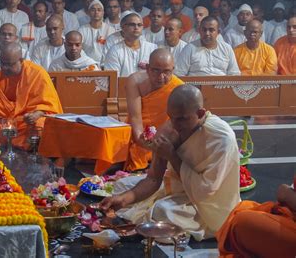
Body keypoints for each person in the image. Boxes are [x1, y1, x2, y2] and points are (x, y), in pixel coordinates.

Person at [101, 85, 241, 241]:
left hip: (207, 203)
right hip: (176, 187)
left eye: (181, 118)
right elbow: (153, 179)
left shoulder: (221, 138)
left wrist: (172, 156)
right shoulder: (171, 127)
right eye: (171, 117)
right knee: (121, 186)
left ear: (200, 113)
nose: (174, 124)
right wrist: (124, 199)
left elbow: (205, 190)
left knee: (163, 210)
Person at [0, 42, 63, 149]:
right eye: (2, 63)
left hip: (26, 123)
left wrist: (36, 114)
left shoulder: (37, 74)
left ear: (21, 61)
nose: (5, 68)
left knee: (41, 124)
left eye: (9, 64)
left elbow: (48, 106)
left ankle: (34, 157)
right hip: (4, 123)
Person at [124, 49, 184, 171]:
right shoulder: (135, 81)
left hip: (166, 141)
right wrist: (144, 141)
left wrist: (163, 145)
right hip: (140, 138)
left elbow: (177, 124)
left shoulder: (179, 87)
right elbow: (135, 118)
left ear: (173, 70)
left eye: (166, 72)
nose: (161, 77)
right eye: (156, 70)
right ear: (147, 68)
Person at [216, 183, 296, 257]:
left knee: (242, 222)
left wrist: (287, 195)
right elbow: (282, 190)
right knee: (244, 207)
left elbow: (284, 193)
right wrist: (286, 194)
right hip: (288, 213)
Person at [175, 16, 240, 76]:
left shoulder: (227, 49)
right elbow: (179, 74)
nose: (207, 33)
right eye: (204, 30)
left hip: (221, 87)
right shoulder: (189, 48)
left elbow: (234, 74)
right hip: (195, 87)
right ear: (200, 31)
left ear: (218, 32)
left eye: (211, 30)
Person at [104, 13, 157, 77]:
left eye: (139, 25)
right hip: (123, 86)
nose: (136, 27)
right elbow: (113, 80)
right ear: (123, 27)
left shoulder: (152, 49)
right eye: (132, 24)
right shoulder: (115, 51)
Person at [78, 0, 114, 64]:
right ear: (89, 12)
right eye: (93, 10)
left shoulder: (110, 30)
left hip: (106, 65)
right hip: (86, 64)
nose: (96, 12)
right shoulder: (82, 30)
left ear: (103, 12)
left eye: (99, 10)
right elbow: (79, 50)